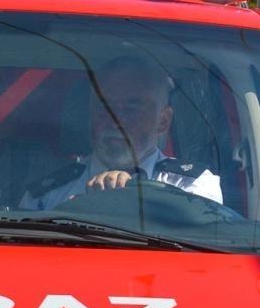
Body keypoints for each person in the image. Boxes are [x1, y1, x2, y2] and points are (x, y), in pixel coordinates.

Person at [19, 56, 222, 209]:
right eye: (104, 107)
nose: (115, 120)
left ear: (163, 121)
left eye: (132, 108)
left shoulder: (191, 187)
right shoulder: (47, 195)